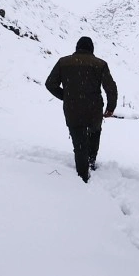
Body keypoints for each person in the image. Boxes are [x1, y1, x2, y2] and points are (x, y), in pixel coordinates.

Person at [46, 36, 117, 182]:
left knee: (79, 142)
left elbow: (50, 84)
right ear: (92, 49)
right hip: (94, 109)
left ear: (77, 47)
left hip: (73, 109)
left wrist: (66, 96)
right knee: (94, 133)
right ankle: (91, 162)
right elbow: (111, 88)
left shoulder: (63, 62)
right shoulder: (100, 64)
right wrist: (110, 108)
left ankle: (82, 175)